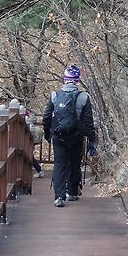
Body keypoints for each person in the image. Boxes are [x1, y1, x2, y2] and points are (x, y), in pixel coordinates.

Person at [42, 64, 96, 207]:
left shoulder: (54, 95)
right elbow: (89, 122)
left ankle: (59, 197)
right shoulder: (84, 98)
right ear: (77, 80)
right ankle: (72, 193)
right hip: (76, 137)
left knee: (59, 165)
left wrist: (47, 132)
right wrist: (92, 140)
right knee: (74, 164)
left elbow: (46, 117)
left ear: (64, 79)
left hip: (58, 136)